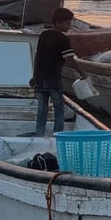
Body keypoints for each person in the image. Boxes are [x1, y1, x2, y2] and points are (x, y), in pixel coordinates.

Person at [31, 7, 78, 136]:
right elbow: (70, 59)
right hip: (53, 79)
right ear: (58, 23)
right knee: (59, 108)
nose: (69, 26)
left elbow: (37, 57)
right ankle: (58, 134)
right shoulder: (63, 39)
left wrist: (34, 76)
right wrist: (83, 74)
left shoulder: (44, 35)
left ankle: (39, 132)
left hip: (40, 78)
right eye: (67, 23)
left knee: (42, 108)